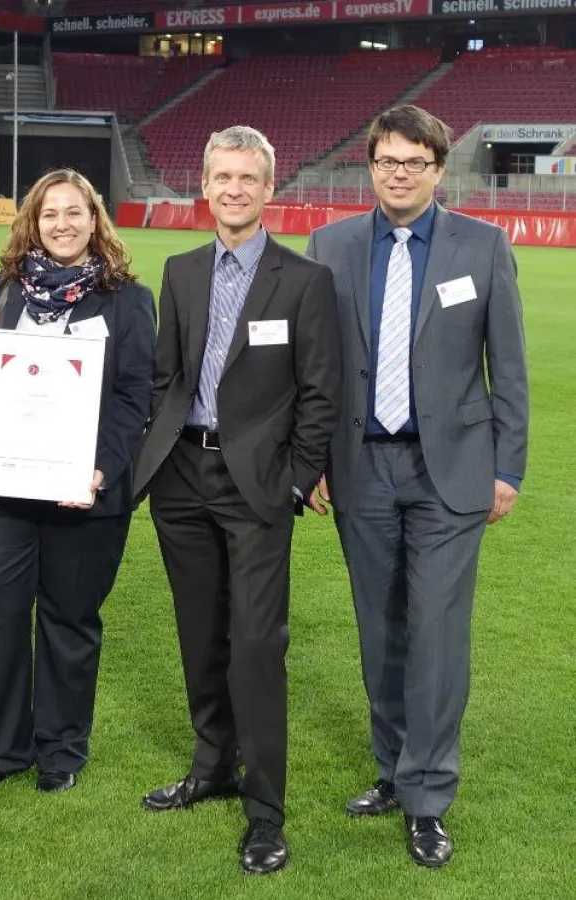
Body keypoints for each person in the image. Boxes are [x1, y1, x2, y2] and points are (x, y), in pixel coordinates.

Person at [306, 104, 529, 868]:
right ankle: (394, 771)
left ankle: (428, 795)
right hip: (360, 467)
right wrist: (313, 465)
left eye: (414, 161)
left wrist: (507, 468)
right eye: (386, 161)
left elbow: (511, 368)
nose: (398, 173)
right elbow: (317, 369)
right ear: (369, 166)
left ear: (439, 168)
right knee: (382, 632)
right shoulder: (330, 246)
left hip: (451, 474)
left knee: (436, 634)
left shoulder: (483, 243)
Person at [132, 126, 342, 874]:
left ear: (269, 188)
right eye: (222, 176)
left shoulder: (304, 280)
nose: (234, 189)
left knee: (256, 646)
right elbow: (165, 376)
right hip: (182, 478)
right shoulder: (182, 270)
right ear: (206, 186)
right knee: (201, 635)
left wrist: (294, 477)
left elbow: (321, 394)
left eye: (248, 178)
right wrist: (157, 456)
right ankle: (211, 765)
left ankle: (266, 811)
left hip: (257, 485)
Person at [0, 169, 156, 794]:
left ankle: (62, 751)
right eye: (50, 215)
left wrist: (98, 467)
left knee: (70, 620)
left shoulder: (127, 298)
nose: (63, 224)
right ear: (32, 223)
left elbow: (135, 397)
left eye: (75, 212)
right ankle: (5, 750)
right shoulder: (3, 289)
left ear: (95, 220)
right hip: (1, 490)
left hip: (84, 492)